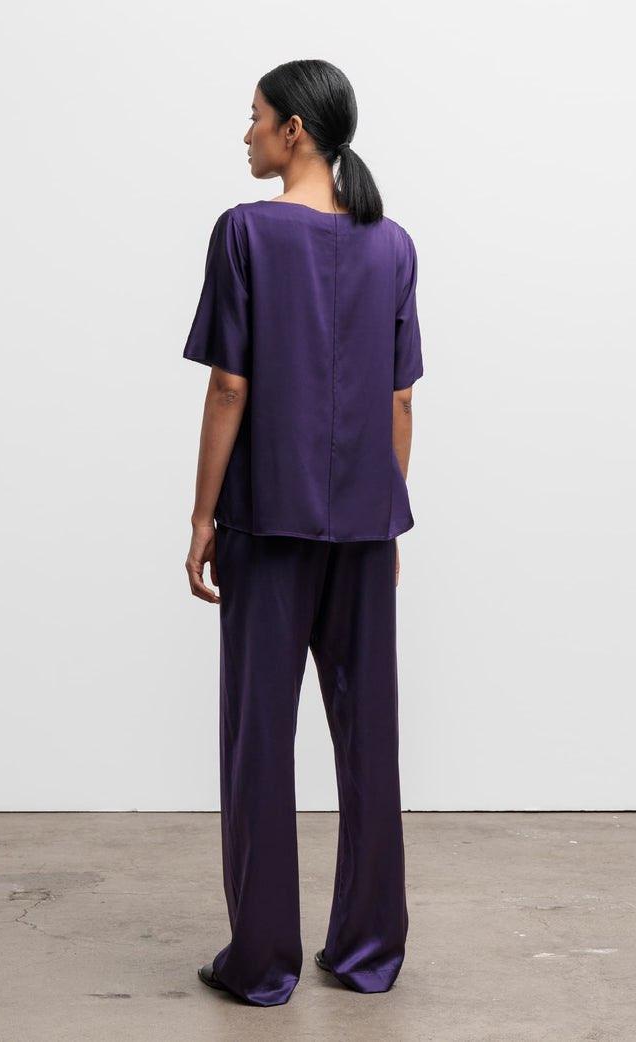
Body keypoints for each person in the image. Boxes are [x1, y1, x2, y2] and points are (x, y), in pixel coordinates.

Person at [182, 59, 424, 1007]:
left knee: (259, 739)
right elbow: (400, 401)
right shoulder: (393, 245)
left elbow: (229, 385)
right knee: (369, 741)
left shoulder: (246, 232)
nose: (244, 134)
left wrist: (201, 515)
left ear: (294, 131)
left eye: (254, 118)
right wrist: (386, 517)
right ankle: (368, 953)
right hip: (364, 526)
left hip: (267, 521)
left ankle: (262, 964)